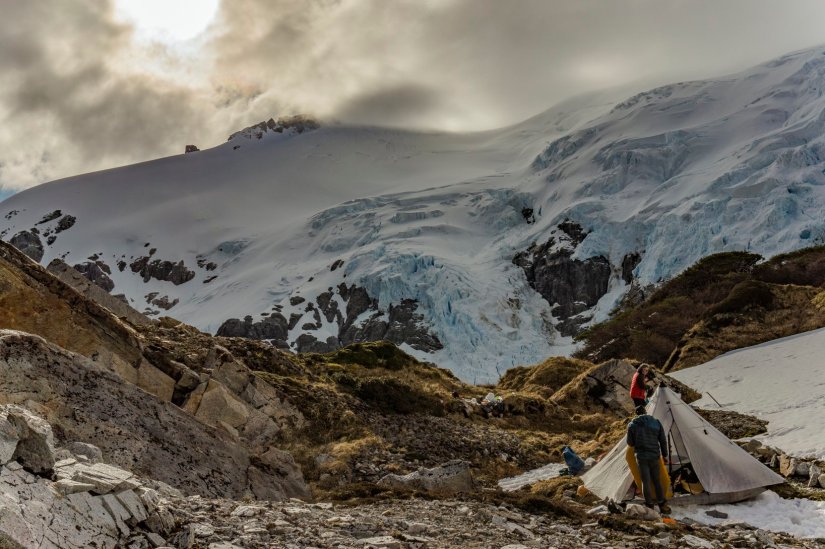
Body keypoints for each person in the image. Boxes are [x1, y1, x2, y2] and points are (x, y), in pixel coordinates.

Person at [627, 404, 671, 514]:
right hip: (654, 456)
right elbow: (662, 441)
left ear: (636, 414)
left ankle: (649, 505)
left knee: (645, 482)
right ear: (645, 412)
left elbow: (630, 443)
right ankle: (662, 504)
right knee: (657, 481)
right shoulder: (656, 422)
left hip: (641, 458)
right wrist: (665, 455)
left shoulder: (632, 425)